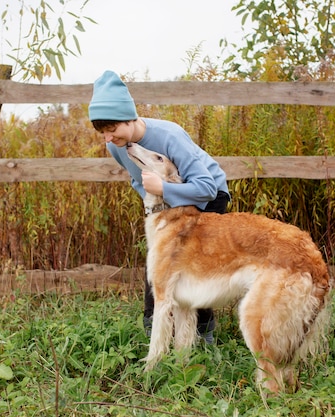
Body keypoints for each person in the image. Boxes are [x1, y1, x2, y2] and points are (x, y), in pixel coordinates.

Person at [88, 70, 230, 343]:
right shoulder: (115, 146)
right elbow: (137, 178)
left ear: (129, 117)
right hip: (164, 200)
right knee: (158, 262)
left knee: (194, 267)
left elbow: (206, 187)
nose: (107, 138)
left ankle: (204, 338)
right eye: (102, 132)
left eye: (112, 129)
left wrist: (163, 190)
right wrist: (154, 202)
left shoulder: (169, 136)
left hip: (208, 195)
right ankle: (154, 329)